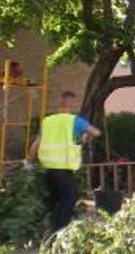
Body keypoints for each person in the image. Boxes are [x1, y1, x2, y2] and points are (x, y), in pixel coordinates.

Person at [26, 91, 101, 231]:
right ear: (71, 103)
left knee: (55, 199)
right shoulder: (75, 121)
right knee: (70, 197)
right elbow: (96, 132)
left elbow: (37, 142)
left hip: (47, 168)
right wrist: (84, 137)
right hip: (64, 167)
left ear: (60, 103)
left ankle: (49, 229)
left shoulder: (47, 121)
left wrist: (29, 161)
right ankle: (58, 231)